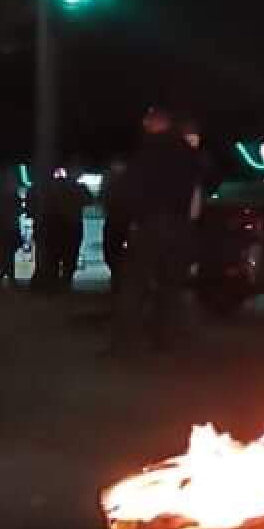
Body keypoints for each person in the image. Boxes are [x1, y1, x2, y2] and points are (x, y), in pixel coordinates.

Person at [113, 106, 202, 352]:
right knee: (171, 285)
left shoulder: (147, 151)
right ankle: (165, 340)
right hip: (180, 225)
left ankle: (126, 341)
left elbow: (131, 189)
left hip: (151, 223)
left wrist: (131, 216)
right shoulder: (187, 153)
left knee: (135, 283)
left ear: (154, 122)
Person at [28, 164, 91, 293]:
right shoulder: (77, 187)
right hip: (70, 227)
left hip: (50, 227)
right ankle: (63, 285)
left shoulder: (40, 188)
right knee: (69, 259)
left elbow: (30, 208)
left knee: (52, 259)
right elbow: (88, 200)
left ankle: (51, 286)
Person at [100, 157, 130, 293]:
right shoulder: (120, 182)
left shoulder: (110, 182)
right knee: (114, 253)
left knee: (113, 252)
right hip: (120, 222)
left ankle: (119, 282)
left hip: (118, 222)